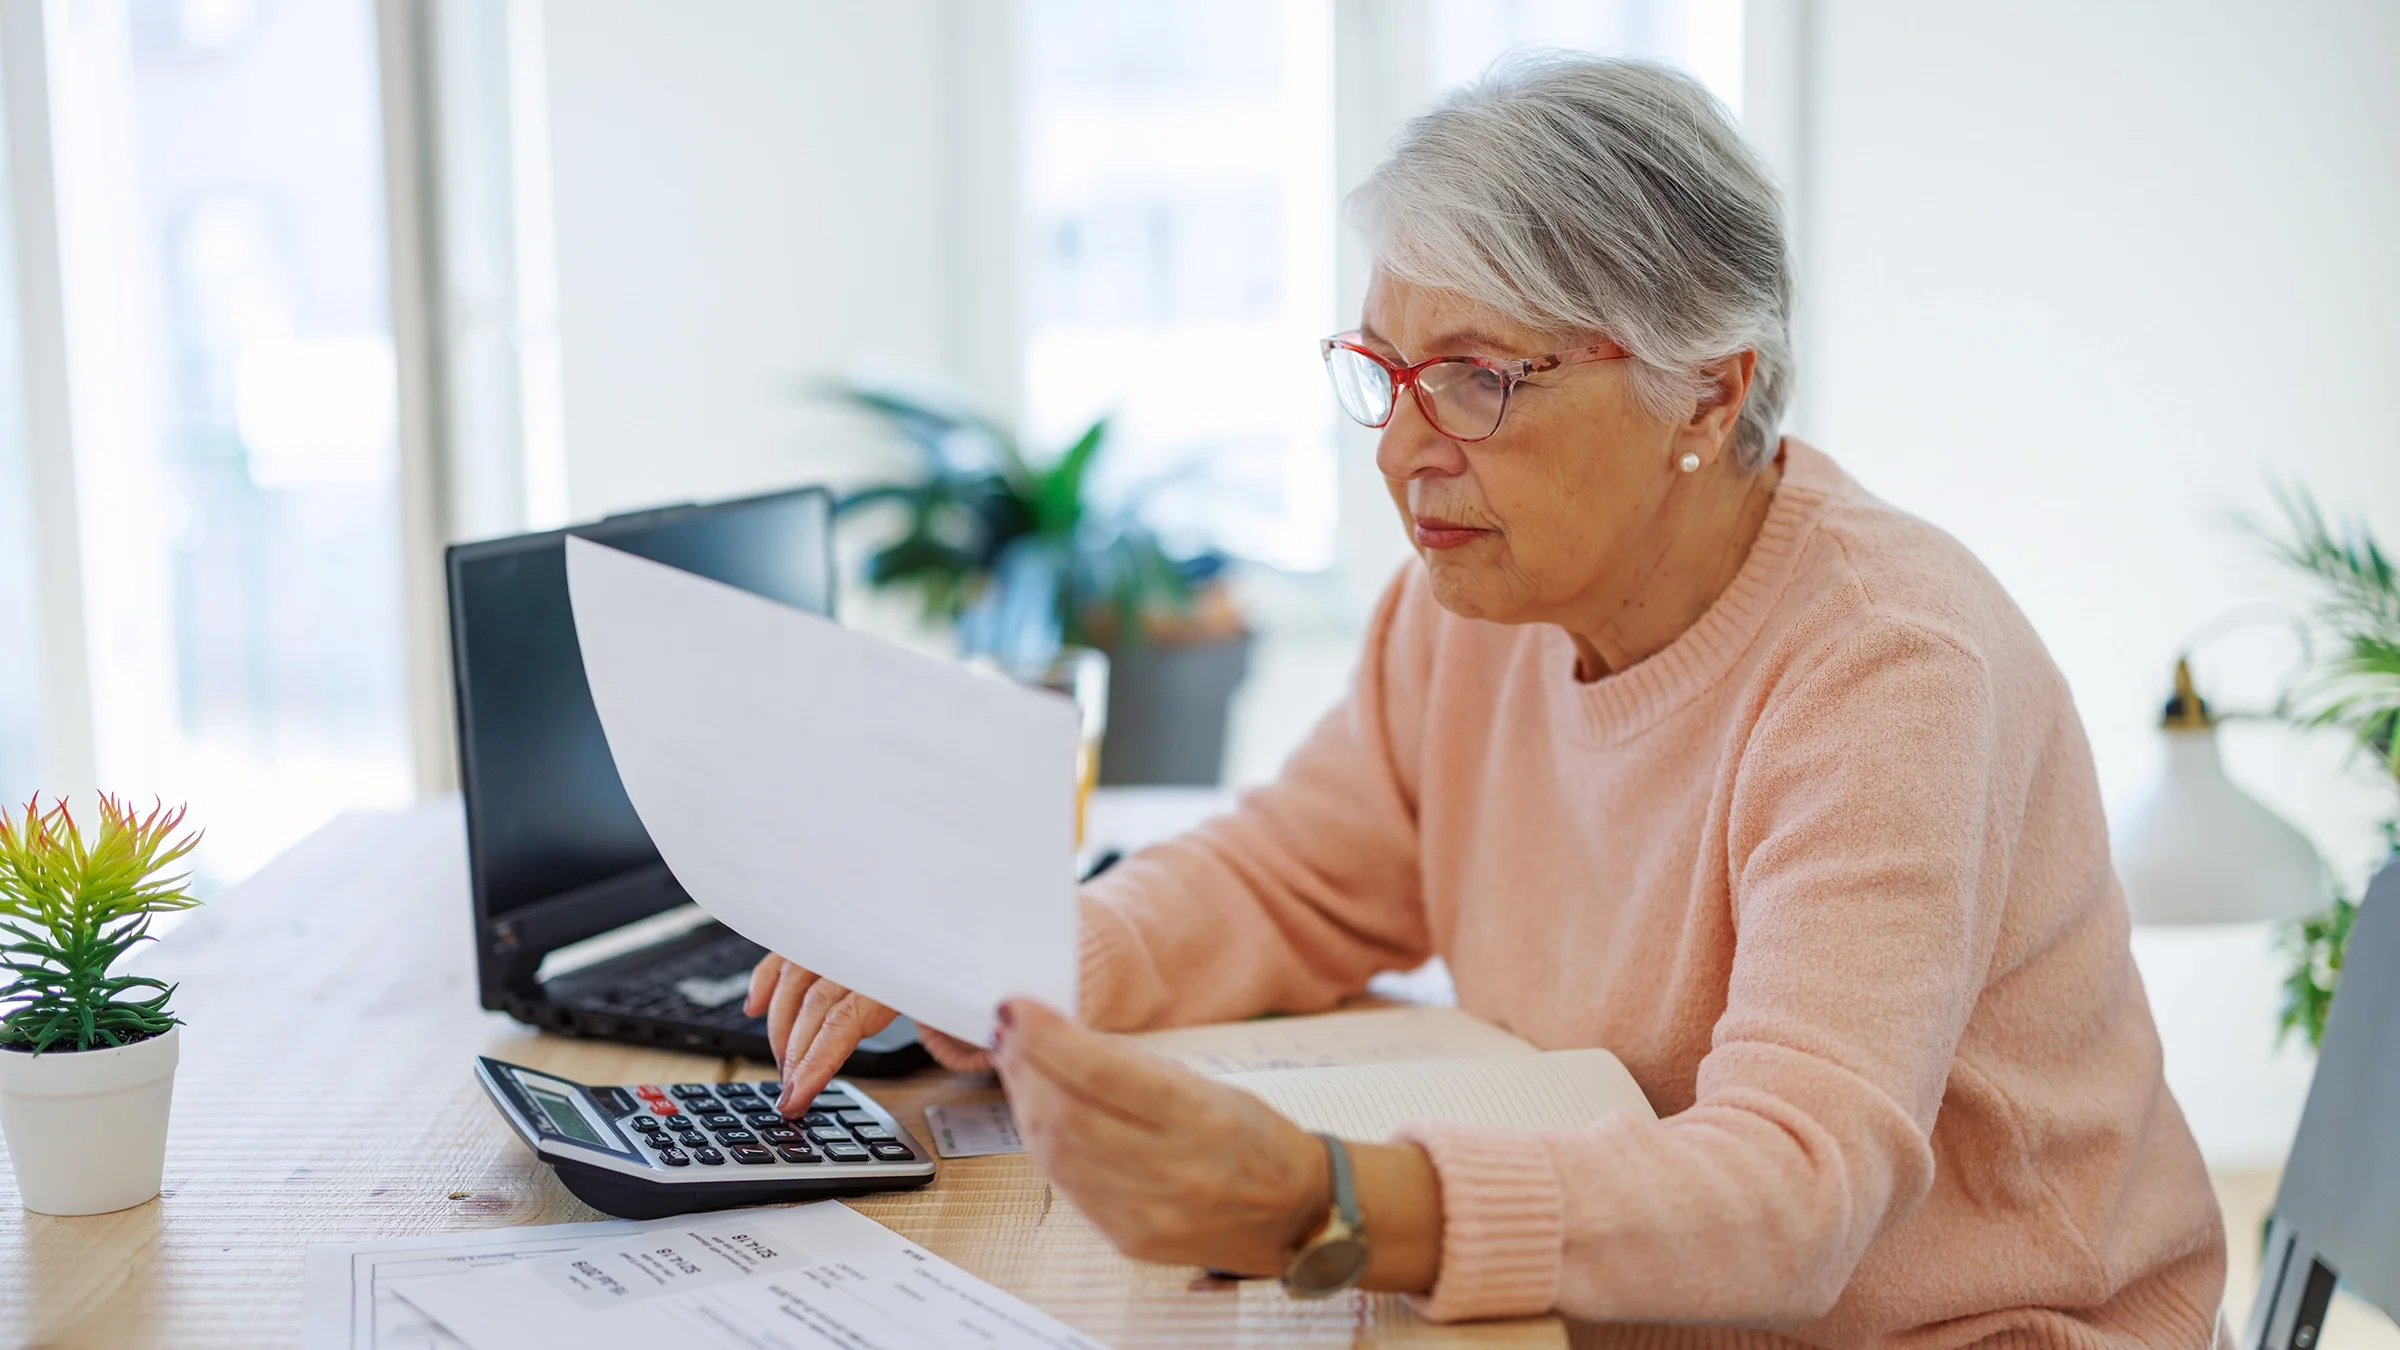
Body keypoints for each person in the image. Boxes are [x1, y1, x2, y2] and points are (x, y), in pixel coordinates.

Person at [747, 53, 2228, 1345]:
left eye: (1474, 378)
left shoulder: (1891, 668)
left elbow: (1798, 1188)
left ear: (1707, 393)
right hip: (1612, 1317)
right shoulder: (1473, 606)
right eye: (1385, 369)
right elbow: (1287, 877)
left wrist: (1325, 1196)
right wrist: (1006, 959)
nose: (1402, 451)